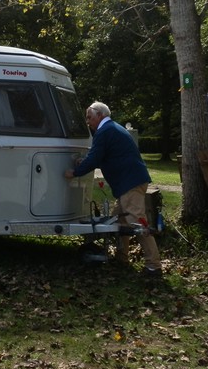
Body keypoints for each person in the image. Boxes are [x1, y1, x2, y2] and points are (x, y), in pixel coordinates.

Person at [64, 102, 162, 275]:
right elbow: (102, 156)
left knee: (137, 223)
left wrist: (75, 172)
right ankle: (121, 257)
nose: (88, 121)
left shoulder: (105, 131)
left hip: (129, 183)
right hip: (130, 182)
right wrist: (85, 162)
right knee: (118, 221)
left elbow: (95, 158)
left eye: (89, 117)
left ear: (100, 115)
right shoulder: (111, 129)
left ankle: (153, 266)